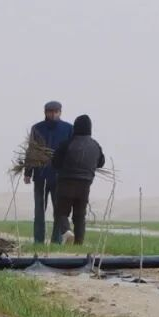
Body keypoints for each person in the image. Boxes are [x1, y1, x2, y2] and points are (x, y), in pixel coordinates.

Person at [24, 100, 73, 244]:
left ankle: (56, 241)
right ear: (45, 112)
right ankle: (38, 241)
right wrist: (28, 172)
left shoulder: (69, 129)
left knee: (58, 209)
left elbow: (72, 151)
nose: (53, 114)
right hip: (40, 175)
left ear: (60, 112)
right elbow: (31, 151)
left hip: (59, 176)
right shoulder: (37, 129)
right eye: (50, 112)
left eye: (56, 112)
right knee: (39, 209)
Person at [52, 114, 105, 245]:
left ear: (75, 127)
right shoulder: (95, 145)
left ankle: (66, 231)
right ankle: (79, 243)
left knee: (61, 212)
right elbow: (101, 163)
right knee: (80, 215)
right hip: (85, 185)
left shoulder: (67, 143)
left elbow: (55, 162)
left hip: (66, 182)